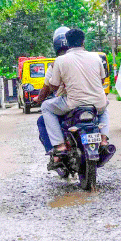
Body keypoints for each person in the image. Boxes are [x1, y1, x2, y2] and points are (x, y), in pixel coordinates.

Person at [40, 28, 109, 164]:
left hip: (74, 104)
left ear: (68, 43)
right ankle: (104, 139)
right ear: (83, 41)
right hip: (97, 103)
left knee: (46, 107)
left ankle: (60, 145)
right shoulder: (96, 57)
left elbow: (53, 86)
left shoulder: (60, 60)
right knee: (105, 108)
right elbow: (102, 80)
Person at [32, 26, 70, 154]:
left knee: (43, 114)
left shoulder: (56, 64)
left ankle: (57, 150)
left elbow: (48, 88)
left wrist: (39, 98)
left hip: (68, 102)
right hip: (90, 101)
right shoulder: (88, 59)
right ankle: (103, 139)